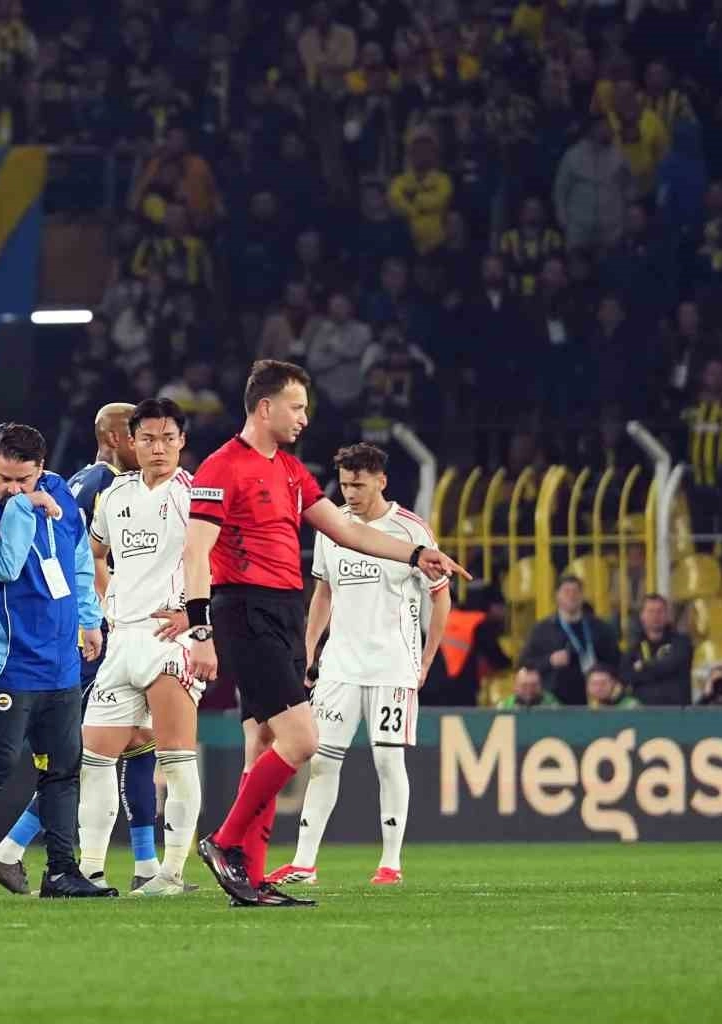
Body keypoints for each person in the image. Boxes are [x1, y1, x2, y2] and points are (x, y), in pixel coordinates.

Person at [183, 361, 466, 907]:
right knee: (303, 741)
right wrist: (200, 631)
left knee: (266, 742)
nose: (304, 419)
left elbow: (346, 531)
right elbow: (196, 552)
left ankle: (252, 879)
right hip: (245, 609)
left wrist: (415, 554)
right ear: (265, 408)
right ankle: (225, 842)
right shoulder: (222, 466)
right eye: (296, 407)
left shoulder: (291, 470)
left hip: (284, 611)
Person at [0, 402, 162, 895]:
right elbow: (85, 558)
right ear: (117, 438)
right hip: (104, 633)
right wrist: (98, 619)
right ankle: (30, 853)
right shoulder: (103, 485)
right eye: (140, 436)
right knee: (103, 747)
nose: (149, 445)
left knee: (128, 742)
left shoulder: (87, 483)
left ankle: (18, 852)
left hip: (100, 630)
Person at [0, 422, 112, 899]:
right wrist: (22, 505)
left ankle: (61, 871)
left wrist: (89, 619)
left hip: (59, 655)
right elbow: (7, 565)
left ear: (42, 468)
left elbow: (77, 559)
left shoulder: (60, 492)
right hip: (4, 657)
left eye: (22, 479)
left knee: (62, 768)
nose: (10, 487)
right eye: (3, 477)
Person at [266, 443, 450, 889]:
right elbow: (323, 593)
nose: (350, 493)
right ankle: (304, 863)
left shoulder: (411, 530)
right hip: (340, 667)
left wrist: (426, 659)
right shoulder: (333, 528)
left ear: (381, 481)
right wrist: (310, 649)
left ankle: (390, 863)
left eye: (359, 484)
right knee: (322, 762)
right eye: (345, 484)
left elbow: (440, 596)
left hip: (392, 666)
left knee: (387, 760)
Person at [77, 398, 206, 896]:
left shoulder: (194, 494)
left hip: (167, 641)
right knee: (95, 759)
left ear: (182, 442)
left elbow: (220, 557)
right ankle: (91, 870)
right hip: (121, 640)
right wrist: (107, 602)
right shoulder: (115, 495)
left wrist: (196, 616)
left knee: (175, 758)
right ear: (132, 442)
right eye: (148, 438)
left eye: (168, 438)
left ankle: (169, 875)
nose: (158, 448)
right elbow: (94, 552)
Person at [521, 575, 623, 705]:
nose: (571, 596)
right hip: (555, 699)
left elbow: (616, 660)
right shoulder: (542, 630)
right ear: (557, 596)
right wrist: (550, 660)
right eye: (566, 591)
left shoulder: (600, 628)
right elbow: (525, 663)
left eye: (576, 591)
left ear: (582, 596)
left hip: (596, 697)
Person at [624, 594, 694, 705]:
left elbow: (670, 665)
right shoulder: (634, 646)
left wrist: (643, 666)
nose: (655, 616)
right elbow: (626, 675)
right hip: (643, 710)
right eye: (651, 611)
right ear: (642, 616)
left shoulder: (681, 643)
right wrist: (659, 668)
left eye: (660, 611)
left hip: (676, 710)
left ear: (667, 615)